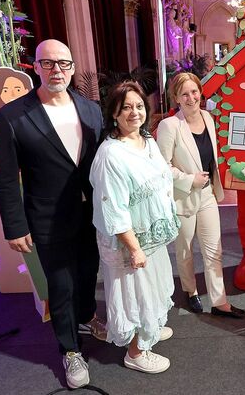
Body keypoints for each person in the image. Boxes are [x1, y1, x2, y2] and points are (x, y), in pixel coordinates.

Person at [0, 40, 105, 389]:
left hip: (91, 213)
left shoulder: (91, 109)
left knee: (89, 273)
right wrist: (14, 226)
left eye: (64, 63)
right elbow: (6, 177)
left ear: (72, 67)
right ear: (36, 67)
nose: (57, 70)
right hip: (46, 217)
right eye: (49, 63)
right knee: (60, 285)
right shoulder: (13, 116)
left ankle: (86, 317)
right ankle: (70, 349)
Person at [90, 81, 180, 374]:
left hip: (151, 236)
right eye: (126, 107)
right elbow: (112, 209)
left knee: (153, 289)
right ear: (114, 113)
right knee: (137, 293)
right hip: (132, 243)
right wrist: (134, 248)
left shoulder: (147, 140)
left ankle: (149, 329)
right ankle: (136, 351)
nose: (134, 112)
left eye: (139, 106)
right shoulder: (110, 155)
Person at [156, 73, 245, 319]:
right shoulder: (169, 126)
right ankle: (191, 290)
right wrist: (188, 179)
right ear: (176, 97)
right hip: (182, 198)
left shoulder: (208, 117)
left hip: (207, 196)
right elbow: (161, 167)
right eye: (184, 93)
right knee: (185, 251)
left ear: (200, 92)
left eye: (194, 92)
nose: (191, 98)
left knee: (213, 250)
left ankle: (220, 302)